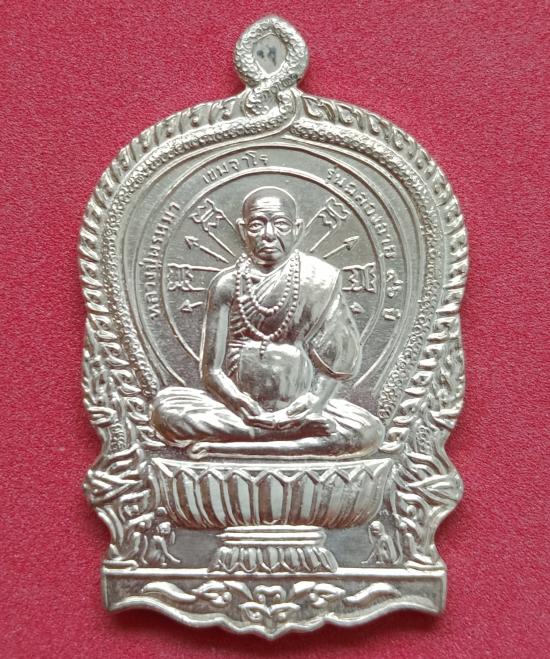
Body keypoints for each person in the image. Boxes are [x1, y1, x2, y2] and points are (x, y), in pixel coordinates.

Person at [151, 186, 384, 459]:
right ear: (242, 230)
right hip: (235, 410)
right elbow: (211, 371)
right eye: (257, 225)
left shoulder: (320, 280)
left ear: (297, 229)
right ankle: (290, 436)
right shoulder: (226, 285)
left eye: (281, 224)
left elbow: (338, 361)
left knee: (368, 431)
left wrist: (314, 402)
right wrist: (237, 401)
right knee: (165, 412)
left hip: (301, 407)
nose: (269, 234)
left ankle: (235, 444)